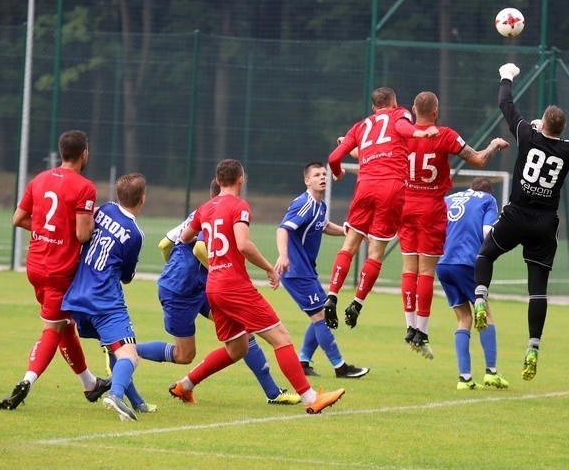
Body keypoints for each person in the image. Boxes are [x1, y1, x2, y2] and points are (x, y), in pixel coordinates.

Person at [170, 159, 345, 414]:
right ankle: (310, 398)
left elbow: (185, 237)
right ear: (241, 179)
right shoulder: (239, 206)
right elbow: (243, 244)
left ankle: (185, 385)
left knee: (236, 348)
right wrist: (269, 267)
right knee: (281, 338)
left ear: (218, 181)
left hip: (214, 287)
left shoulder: (204, 208)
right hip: (234, 286)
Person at [137, 181, 300, 405]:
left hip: (201, 286)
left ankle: (272, 392)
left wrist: (177, 266)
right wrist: (218, 269)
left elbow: (165, 244)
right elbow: (200, 248)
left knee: (243, 333)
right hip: (182, 290)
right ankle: (126, 350)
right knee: (184, 355)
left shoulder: (199, 211)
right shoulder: (217, 213)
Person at [473, 63, 569, 382]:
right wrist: (544, 128)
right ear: (562, 127)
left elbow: (506, 104)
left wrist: (506, 75)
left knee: (485, 255)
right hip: (545, 224)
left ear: (542, 123)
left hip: (516, 214)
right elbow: (560, 143)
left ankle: (480, 298)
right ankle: (533, 346)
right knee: (537, 291)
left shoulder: (527, 135)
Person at [0, 130, 111, 410]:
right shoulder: (85, 187)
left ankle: (89, 384)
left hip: (35, 265)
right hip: (59, 271)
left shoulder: (39, 179)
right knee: (53, 328)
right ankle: (27, 380)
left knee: (64, 326)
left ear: (62, 153)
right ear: (84, 154)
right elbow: (83, 235)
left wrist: (47, 231)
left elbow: (18, 218)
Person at [399, 91, 509, 359]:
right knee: (425, 272)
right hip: (431, 207)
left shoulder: (402, 134)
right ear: (435, 112)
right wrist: (494, 144)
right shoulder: (445, 134)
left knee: (408, 269)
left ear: (414, 111)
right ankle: (421, 331)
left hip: (405, 206)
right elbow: (479, 159)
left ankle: (409, 326)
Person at [325, 87, 439, 330]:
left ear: (374, 107)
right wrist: (419, 134)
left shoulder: (361, 126)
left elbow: (334, 158)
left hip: (364, 185)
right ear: (394, 102)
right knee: (375, 253)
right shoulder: (400, 114)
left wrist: (338, 173)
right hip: (391, 188)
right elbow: (402, 129)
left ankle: (332, 294)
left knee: (349, 245)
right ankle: (357, 302)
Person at [61, 173, 147, 421]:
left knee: (116, 347)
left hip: (77, 297)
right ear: (143, 198)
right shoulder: (135, 233)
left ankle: (137, 401)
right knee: (129, 355)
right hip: (105, 301)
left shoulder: (105, 209)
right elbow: (127, 277)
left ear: (118, 195)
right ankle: (116, 394)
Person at [274, 162, 370, 379]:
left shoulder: (320, 206)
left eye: (324, 174)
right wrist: (283, 255)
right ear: (307, 181)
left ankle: (303, 362)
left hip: (307, 271)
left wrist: (349, 232)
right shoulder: (303, 204)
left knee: (320, 314)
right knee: (321, 316)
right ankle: (340, 367)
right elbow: (283, 229)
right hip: (296, 272)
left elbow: (324, 226)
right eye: (316, 175)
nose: (322, 177)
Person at [436, 178, 509, 390]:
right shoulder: (488, 200)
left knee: (463, 319)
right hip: (467, 262)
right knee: (485, 313)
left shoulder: (449, 199)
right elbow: (488, 231)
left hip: (443, 264)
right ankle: (491, 372)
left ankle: (465, 378)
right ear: (489, 191)